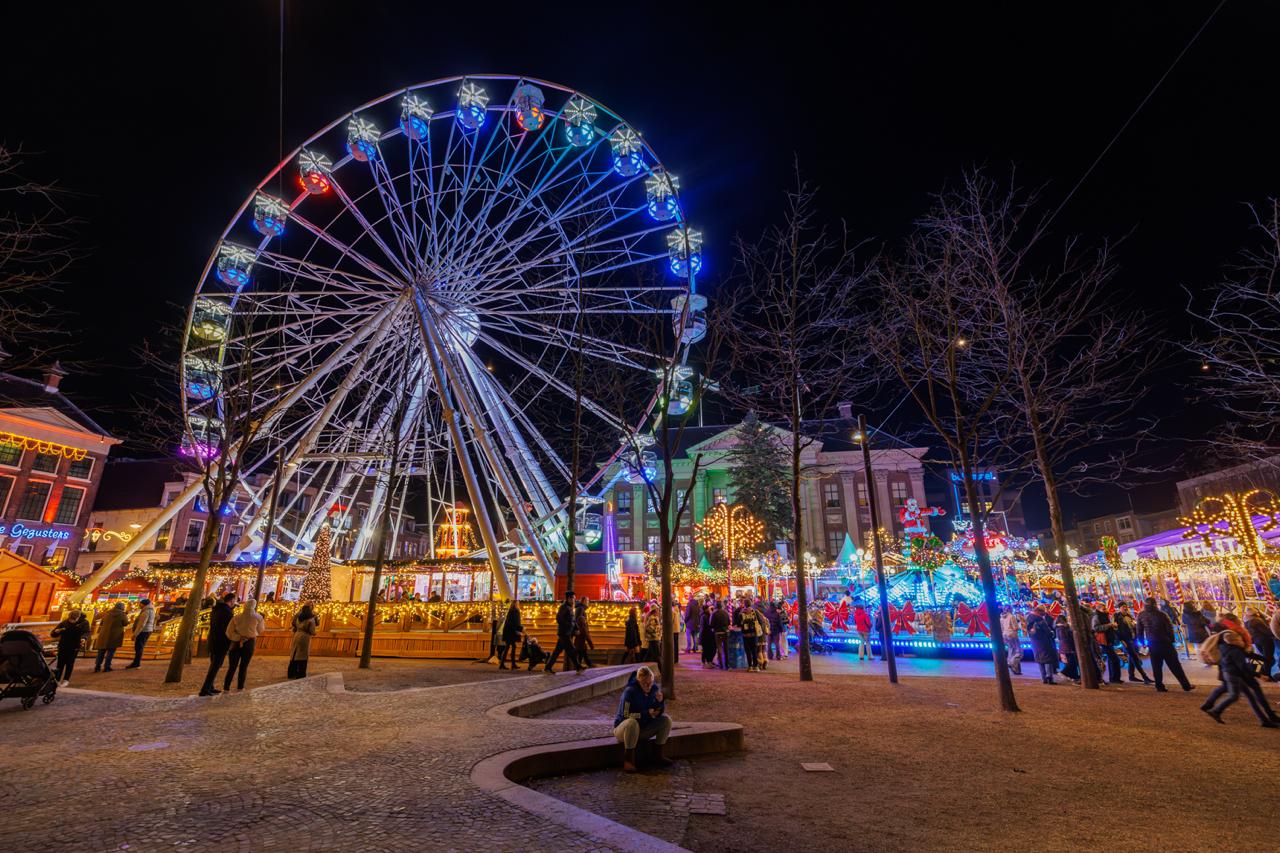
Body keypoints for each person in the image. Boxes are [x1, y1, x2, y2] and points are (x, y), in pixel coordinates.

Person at [1201, 630, 1278, 727]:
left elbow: (1248, 655)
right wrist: (1260, 675)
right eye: (1239, 637)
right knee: (1236, 696)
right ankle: (1216, 710)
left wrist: (1266, 659)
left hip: (1232, 675)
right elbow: (1243, 667)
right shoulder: (1235, 651)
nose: (1241, 638)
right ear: (1235, 640)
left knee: (1249, 697)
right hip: (1235, 676)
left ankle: (1264, 720)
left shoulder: (1226, 647)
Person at [612, 665, 672, 773]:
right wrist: (645, 714)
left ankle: (658, 755)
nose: (648, 686)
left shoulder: (654, 689)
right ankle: (628, 761)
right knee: (631, 723)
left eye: (650, 682)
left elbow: (657, 710)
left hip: (643, 728)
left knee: (666, 720)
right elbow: (626, 715)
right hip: (623, 730)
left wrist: (660, 703)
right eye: (645, 683)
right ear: (639, 681)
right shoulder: (629, 692)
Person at [1136, 596, 1194, 692]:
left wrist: (1142, 643)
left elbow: (1139, 631)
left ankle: (1159, 686)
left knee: (1156, 667)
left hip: (1152, 644)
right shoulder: (1162, 614)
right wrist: (1171, 640)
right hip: (1165, 643)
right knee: (1175, 666)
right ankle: (1185, 685)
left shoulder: (1141, 615)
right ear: (1155, 604)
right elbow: (1169, 628)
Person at [200, 592, 237, 696]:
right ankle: (205, 689)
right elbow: (228, 627)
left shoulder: (217, 609)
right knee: (215, 666)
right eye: (234, 601)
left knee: (213, 665)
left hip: (213, 640)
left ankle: (210, 686)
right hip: (221, 642)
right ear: (232, 601)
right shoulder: (227, 612)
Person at [223, 598, 265, 691]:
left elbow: (229, 632)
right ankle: (240, 687)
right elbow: (260, 630)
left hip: (236, 642)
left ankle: (226, 687)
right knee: (244, 666)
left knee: (232, 666)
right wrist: (250, 634)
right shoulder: (258, 618)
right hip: (249, 642)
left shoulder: (237, 617)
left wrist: (238, 637)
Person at [1114, 602, 1153, 684]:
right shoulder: (1116, 616)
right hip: (1126, 640)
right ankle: (1145, 677)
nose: (1125, 608)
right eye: (1123, 607)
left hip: (1133, 639)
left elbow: (1133, 626)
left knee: (1132, 658)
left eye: (1126, 606)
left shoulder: (1129, 615)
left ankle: (1131, 676)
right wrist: (1121, 640)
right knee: (1135, 658)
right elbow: (1116, 630)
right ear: (1119, 608)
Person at [51, 609, 91, 686]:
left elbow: (87, 632)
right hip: (63, 645)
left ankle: (66, 680)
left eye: (73, 620)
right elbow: (53, 633)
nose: (71, 621)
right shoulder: (65, 622)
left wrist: (83, 638)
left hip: (74, 646)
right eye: (70, 619)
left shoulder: (84, 623)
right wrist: (56, 632)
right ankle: (57, 680)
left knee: (70, 663)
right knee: (60, 663)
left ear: (78, 618)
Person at [544, 593, 580, 674]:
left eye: (574, 598)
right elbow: (559, 619)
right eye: (573, 598)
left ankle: (547, 668)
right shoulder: (564, 607)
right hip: (564, 633)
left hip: (566, 633)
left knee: (557, 652)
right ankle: (578, 667)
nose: (574, 600)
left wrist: (576, 628)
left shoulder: (570, 607)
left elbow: (573, 620)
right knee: (572, 650)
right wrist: (568, 626)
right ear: (568, 598)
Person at [1025, 605, 1058, 684]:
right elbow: (1048, 632)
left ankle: (1043, 678)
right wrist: (1052, 634)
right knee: (1047, 660)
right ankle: (1049, 677)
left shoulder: (1029, 619)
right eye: (1043, 612)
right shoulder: (1040, 620)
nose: (1044, 614)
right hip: (1044, 642)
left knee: (1040, 660)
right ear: (1039, 611)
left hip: (1035, 642)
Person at [1091, 603, 1122, 684]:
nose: (1105, 610)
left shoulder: (1105, 615)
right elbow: (1096, 628)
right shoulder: (1096, 616)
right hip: (1103, 640)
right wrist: (1109, 625)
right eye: (1104, 609)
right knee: (1114, 659)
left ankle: (1114, 678)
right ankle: (1115, 678)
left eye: (1105, 608)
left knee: (1112, 659)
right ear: (1099, 609)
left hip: (1108, 639)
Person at [93, 601, 127, 672]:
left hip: (104, 635)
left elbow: (102, 622)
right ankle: (107, 667)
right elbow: (125, 623)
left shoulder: (107, 613)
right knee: (111, 652)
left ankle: (97, 666)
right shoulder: (122, 614)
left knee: (101, 651)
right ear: (122, 608)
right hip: (115, 636)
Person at [123, 599, 156, 669]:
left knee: (138, 647)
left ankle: (136, 663)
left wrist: (135, 634)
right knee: (139, 647)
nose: (139, 605)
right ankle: (136, 662)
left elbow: (141, 624)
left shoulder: (146, 612)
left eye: (140, 604)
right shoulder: (151, 610)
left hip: (143, 631)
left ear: (143, 604)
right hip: (147, 630)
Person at [287, 604, 318, 679]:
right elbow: (312, 631)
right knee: (302, 655)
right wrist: (314, 633)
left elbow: (294, 624)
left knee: (294, 654)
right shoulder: (311, 619)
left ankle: (291, 672)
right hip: (304, 637)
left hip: (297, 635)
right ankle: (300, 673)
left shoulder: (299, 618)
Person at [1244, 608, 1276, 681]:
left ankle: (1263, 673)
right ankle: (1266, 675)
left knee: (1268, 659)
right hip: (1265, 641)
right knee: (1269, 659)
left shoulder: (1247, 621)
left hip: (1257, 641)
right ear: (1256, 613)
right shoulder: (1257, 621)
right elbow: (1268, 632)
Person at [1054, 613, 1080, 683]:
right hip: (1068, 647)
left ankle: (1074, 676)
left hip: (1065, 647)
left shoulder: (1060, 628)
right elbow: (1066, 638)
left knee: (1072, 662)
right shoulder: (1062, 628)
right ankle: (1064, 672)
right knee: (1072, 662)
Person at [500, 601, 523, 670]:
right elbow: (515, 623)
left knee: (509, 647)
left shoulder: (511, 611)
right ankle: (508, 664)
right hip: (511, 632)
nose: (518, 605)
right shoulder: (515, 612)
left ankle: (508, 664)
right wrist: (520, 629)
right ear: (515, 605)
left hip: (509, 631)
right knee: (509, 647)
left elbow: (513, 622)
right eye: (517, 604)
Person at [1000, 607, 1022, 676]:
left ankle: (1011, 664)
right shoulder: (1011, 617)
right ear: (1009, 609)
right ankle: (1011, 663)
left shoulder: (1001, 618)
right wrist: (1020, 626)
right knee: (1019, 652)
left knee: (1011, 650)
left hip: (1005, 635)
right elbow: (1015, 627)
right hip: (1012, 634)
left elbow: (1001, 628)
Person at [574, 598, 594, 671]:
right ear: (583, 601)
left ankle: (586, 664)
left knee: (582, 652)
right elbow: (578, 620)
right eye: (587, 601)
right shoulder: (580, 609)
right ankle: (580, 666)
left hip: (581, 634)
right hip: (581, 634)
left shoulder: (581, 608)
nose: (588, 602)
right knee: (581, 651)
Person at [741, 600, 761, 672]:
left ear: (745, 605)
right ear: (751, 604)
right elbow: (761, 621)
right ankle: (756, 666)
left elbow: (738, 623)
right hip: (754, 634)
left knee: (748, 651)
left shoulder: (742, 613)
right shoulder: (755, 612)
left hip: (745, 635)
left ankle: (750, 666)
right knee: (754, 650)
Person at [711, 599, 730, 669]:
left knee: (719, 648)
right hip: (725, 632)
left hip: (718, 632)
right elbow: (728, 623)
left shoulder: (714, 614)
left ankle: (721, 664)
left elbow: (711, 624)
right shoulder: (726, 613)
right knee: (726, 648)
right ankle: (727, 664)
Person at [700, 603, 717, 667]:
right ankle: (706, 662)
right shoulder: (705, 616)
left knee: (707, 649)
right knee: (707, 649)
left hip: (706, 635)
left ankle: (707, 661)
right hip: (706, 635)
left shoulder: (705, 615)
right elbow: (708, 625)